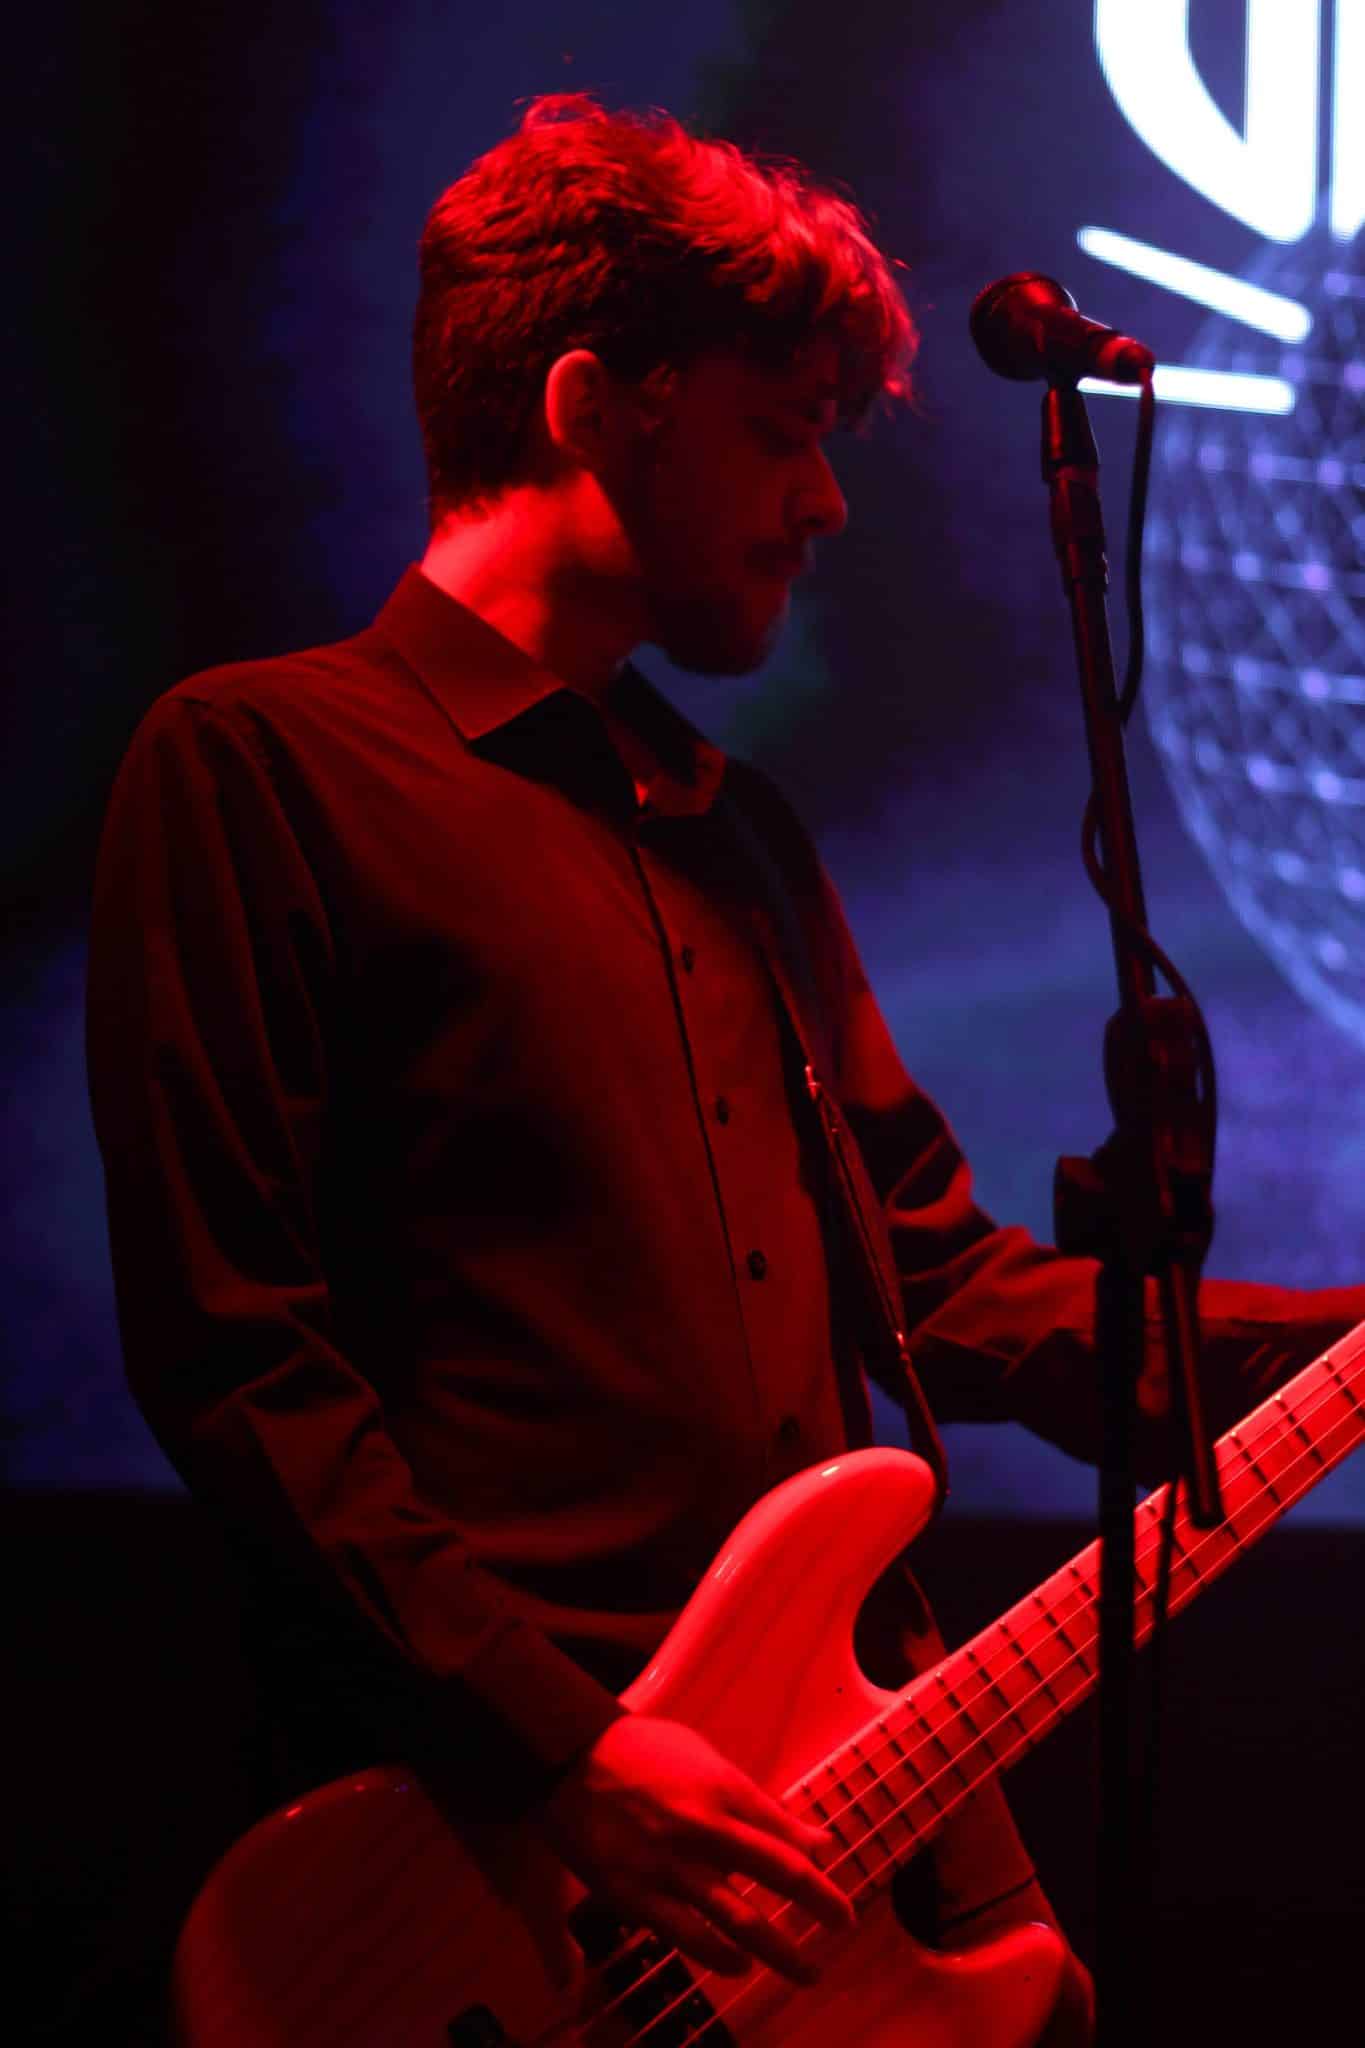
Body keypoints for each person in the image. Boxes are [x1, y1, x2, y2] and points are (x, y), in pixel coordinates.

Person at [85, 93, 1362, 2043]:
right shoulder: (260, 765)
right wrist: (563, 1746)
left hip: (832, 1808)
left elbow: (936, 1284)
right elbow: (240, 1355)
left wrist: (1326, 1348)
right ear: (592, 407)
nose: (825, 503)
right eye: (780, 431)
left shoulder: (731, 828)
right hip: (494, 1883)